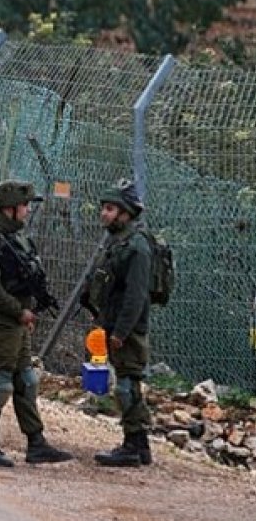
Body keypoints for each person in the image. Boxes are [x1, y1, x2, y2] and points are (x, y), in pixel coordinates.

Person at [0, 180, 74, 467]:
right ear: (9, 208)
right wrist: (19, 312)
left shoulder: (18, 241)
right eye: (24, 206)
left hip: (16, 321)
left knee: (26, 381)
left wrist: (27, 311)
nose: (28, 211)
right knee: (1, 382)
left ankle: (36, 442)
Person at [81, 178, 153, 467]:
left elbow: (136, 295)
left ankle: (132, 447)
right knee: (127, 384)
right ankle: (139, 446)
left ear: (126, 213)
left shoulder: (137, 248)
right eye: (104, 208)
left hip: (129, 329)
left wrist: (121, 332)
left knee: (126, 386)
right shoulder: (118, 243)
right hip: (115, 325)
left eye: (110, 209)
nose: (104, 214)